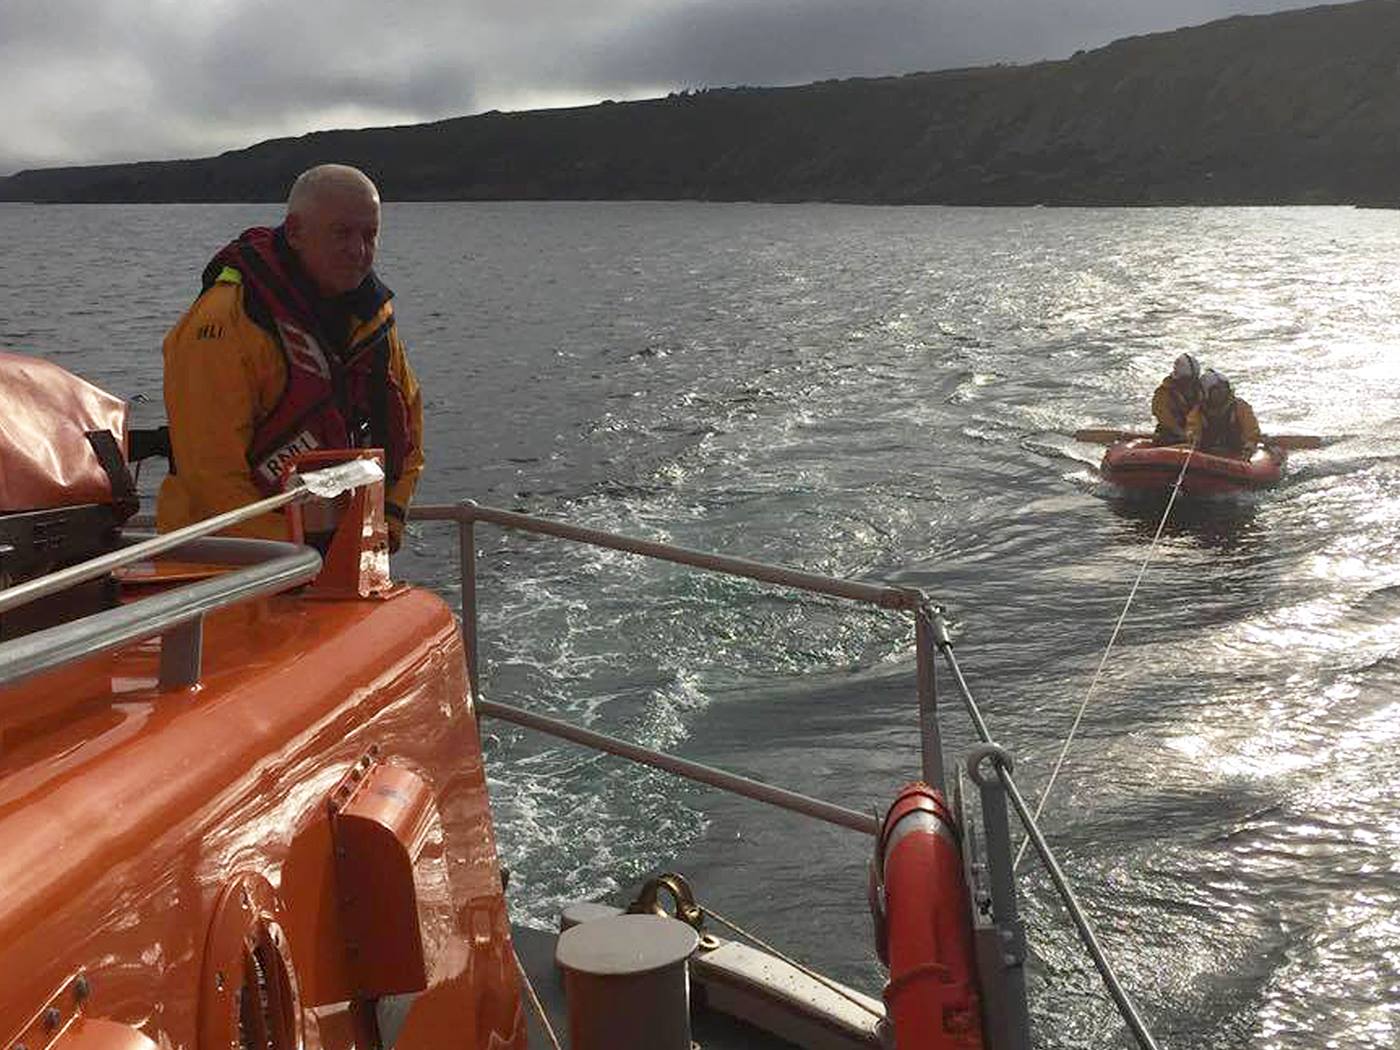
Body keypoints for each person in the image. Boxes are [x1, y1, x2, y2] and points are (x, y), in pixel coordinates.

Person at [156, 164, 423, 551]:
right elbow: (210, 477)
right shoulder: (224, 323)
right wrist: (301, 551)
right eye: (342, 233)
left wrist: (388, 521)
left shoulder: (371, 320)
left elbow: (409, 433)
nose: (358, 251)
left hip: (337, 558)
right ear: (296, 232)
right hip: (223, 562)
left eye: (370, 235)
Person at [1186, 370, 1261, 456]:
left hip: (1237, 454)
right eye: (1217, 390)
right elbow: (1193, 429)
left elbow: (1251, 431)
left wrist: (1250, 444)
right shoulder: (1198, 412)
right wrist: (1192, 437)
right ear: (1207, 392)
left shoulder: (1239, 407)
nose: (1222, 392)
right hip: (1207, 454)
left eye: (1224, 388)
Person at [1151, 353, 1203, 444]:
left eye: (1192, 380)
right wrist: (1182, 434)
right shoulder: (1163, 394)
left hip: (1195, 433)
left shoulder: (1201, 390)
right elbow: (1165, 418)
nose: (1190, 384)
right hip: (1171, 434)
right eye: (1186, 380)